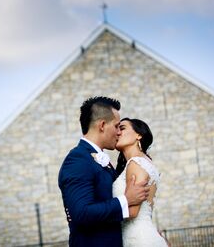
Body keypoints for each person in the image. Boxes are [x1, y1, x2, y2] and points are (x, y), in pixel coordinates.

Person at [58, 96, 149, 247]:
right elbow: (82, 213)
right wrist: (126, 200)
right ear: (102, 125)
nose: (119, 132)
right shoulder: (77, 160)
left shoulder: (98, 159)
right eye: (116, 126)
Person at [113, 118, 168, 246]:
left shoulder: (135, 163)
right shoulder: (145, 162)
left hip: (139, 240)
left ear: (138, 135)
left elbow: (132, 212)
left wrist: (95, 212)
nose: (118, 132)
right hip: (145, 234)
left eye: (122, 128)